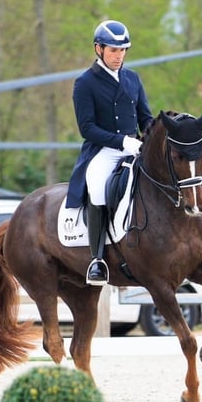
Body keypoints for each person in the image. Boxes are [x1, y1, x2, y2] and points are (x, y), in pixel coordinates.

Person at [66, 19, 153, 286]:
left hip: (134, 147)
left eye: (123, 50)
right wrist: (122, 142)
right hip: (103, 150)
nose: (119, 56)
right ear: (99, 49)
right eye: (114, 50)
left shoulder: (132, 78)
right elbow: (87, 128)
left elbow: (145, 118)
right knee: (97, 186)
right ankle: (97, 259)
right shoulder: (85, 83)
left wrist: (156, 136)